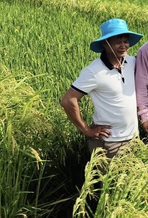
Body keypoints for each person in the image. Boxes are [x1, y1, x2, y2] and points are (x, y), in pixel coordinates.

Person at [60, 18, 143, 158]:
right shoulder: (94, 71)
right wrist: (86, 129)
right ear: (105, 44)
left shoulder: (132, 62)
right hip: (109, 144)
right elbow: (68, 100)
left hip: (134, 139)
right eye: (118, 42)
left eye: (125, 41)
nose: (123, 46)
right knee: (109, 180)